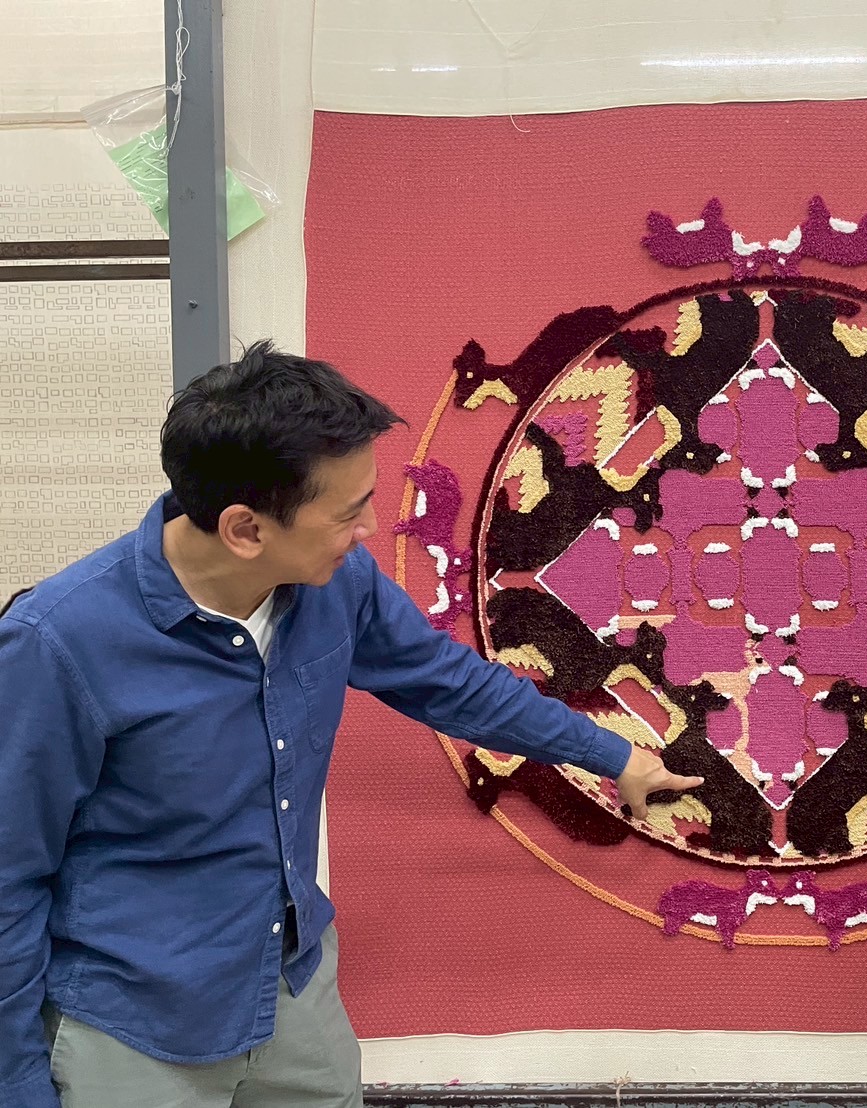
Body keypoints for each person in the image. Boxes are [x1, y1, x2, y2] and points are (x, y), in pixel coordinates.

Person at [0, 341, 702, 1108]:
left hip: (291, 986)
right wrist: (19, 1085)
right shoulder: (56, 643)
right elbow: (8, 876)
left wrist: (611, 754)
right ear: (245, 530)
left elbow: (449, 684)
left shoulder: (337, 581)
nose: (370, 527)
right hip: (133, 1026)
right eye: (345, 513)